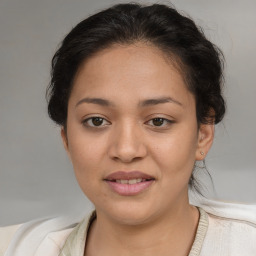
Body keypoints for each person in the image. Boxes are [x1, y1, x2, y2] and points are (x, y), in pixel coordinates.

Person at [1, 2, 255, 256]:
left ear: (203, 134)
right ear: (67, 139)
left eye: (158, 121)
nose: (126, 150)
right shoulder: (15, 248)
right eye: (97, 121)